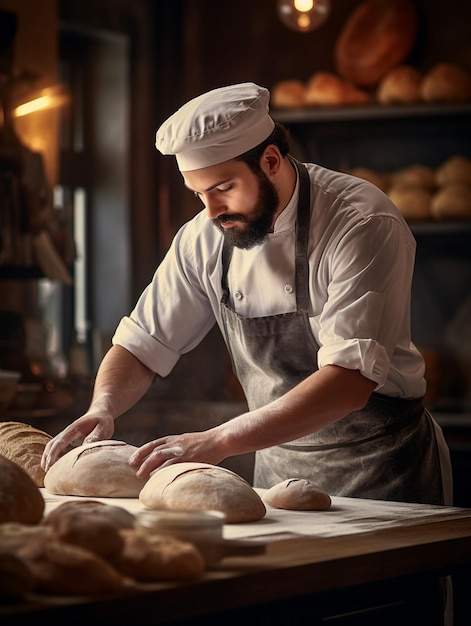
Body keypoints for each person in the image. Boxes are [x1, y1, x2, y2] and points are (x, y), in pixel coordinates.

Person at [41, 82, 452, 508]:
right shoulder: (204, 237)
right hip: (278, 474)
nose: (211, 212)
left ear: (270, 160)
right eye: (198, 194)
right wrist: (102, 408)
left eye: (223, 188)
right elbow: (142, 344)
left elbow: (349, 383)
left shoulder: (361, 223)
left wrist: (218, 440)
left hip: (383, 471)